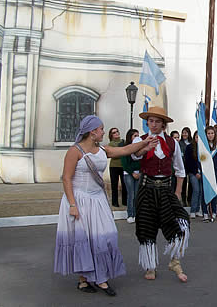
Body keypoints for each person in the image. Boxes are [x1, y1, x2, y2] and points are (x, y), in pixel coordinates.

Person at [53, 115, 157, 296]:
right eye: (101, 129)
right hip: (79, 200)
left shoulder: (102, 149)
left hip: (97, 200)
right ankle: (85, 280)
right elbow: (67, 178)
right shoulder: (74, 151)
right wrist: (72, 204)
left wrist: (144, 143)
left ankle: (100, 277)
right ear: (92, 132)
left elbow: (125, 150)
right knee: (83, 240)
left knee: (105, 237)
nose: (103, 132)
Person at [131, 106, 190, 282]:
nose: (154, 124)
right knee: (147, 227)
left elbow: (180, 169)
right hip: (146, 188)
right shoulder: (139, 139)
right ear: (147, 123)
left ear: (163, 125)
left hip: (165, 188)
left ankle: (174, 260)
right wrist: (145, 146)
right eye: (151, 121)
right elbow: (134, 156)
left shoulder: (172, 143)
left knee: (182, 223)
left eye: (157, 121)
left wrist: (178, 191)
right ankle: (150, 266)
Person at [121, 129, 140, 223]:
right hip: (129, 174)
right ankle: (130, 214)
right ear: (130, 137)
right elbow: (124, 163)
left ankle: (137, 214)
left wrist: (140, 172)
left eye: (138, 135)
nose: (137, 138)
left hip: (139, 173)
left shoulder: (141, 148)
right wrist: (132, 173)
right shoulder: (126, 147)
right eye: (135, 136)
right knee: (131, 194)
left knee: (137, 195)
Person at [184, 132, 204, 219]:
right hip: (193, 173)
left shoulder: (203, 148)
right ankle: (192, 210)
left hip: (202, 173)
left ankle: (198, 210)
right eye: (196, 137)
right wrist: (195, 172)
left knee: (200, 191)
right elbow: (188, 162)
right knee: (196, 190)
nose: (198, 139)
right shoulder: (189, 147)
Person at [107, 128, 127, 207]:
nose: (116, 133)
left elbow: (125, 152)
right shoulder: (111, 144)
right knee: (114, 185)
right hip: (114, 166)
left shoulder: (123, 142)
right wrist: (121, 152)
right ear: (111, 135)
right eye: (114, 132)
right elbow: (113, 154)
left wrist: (119, 152)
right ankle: (115, 202)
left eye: (117, 131)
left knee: (124, 184)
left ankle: (125, 201)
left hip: (123, 166)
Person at [179, 127, 192, 207]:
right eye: (183, 132)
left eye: (186, 132)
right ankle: (183, 200)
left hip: (190, 166)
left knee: (191, 184)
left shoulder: (191, 143)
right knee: (183, 184)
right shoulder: (180, 143)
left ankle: (189, 199)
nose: (184, 134)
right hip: (182, 166)